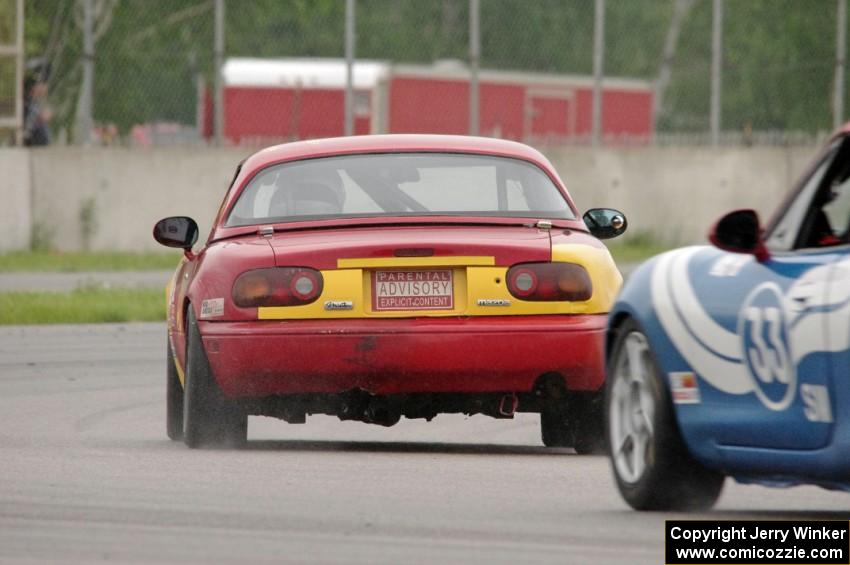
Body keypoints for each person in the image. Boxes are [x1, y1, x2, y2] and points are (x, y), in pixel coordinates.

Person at [23, 78, 52, 146]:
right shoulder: (27, 102)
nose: (46, 89)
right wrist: (40, 117)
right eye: (43, 85)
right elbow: (29, 118)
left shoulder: (35, 102)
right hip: (31, 137)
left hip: (38, 140)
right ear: (35, 87)